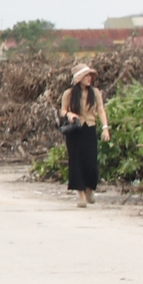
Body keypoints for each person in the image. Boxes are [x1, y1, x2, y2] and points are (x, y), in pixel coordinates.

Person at [60, 64, 110, 206]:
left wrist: (105, 128)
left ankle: (89, 189)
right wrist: (69, 114)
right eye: (86, 76)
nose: (89, 79)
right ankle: (80, 195)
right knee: (76, 162)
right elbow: (62, 110)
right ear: (79, 78)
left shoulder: (95, 92)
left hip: (90, 128)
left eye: (90, 76)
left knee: (91, 163)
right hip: (75, 130)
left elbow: (100, 110)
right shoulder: (69, 94)